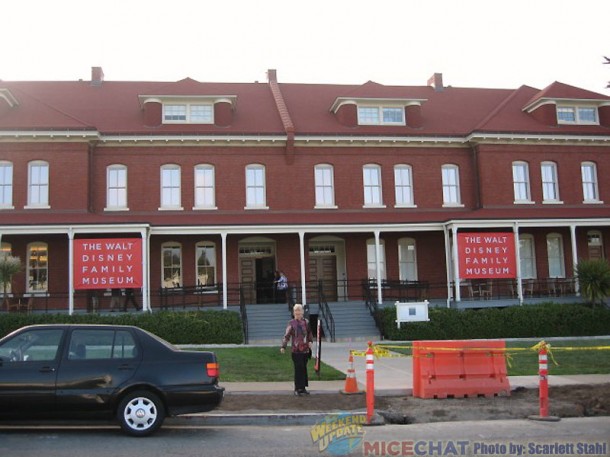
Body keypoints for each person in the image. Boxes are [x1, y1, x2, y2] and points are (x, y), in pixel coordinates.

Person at [280, 304, 314, 396]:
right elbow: (286, 336)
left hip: (305, 350)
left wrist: (310, 341)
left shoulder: (306, 322)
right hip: (296, 350)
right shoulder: (291, 323)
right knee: (298, 369)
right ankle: (297, 388)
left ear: (302, 312)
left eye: (299, 310)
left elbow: (309, 332)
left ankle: (303, 388)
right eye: (296, 311)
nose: (298, 312)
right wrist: (283, 346)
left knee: (304, 369)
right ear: (294, 312)